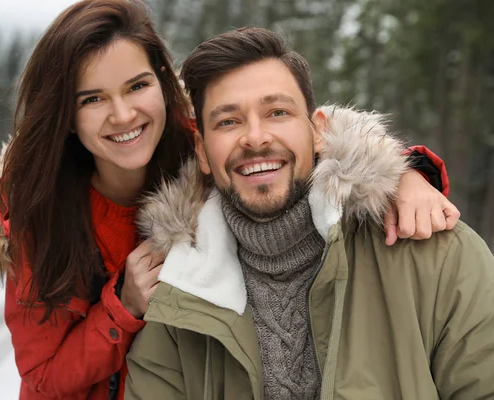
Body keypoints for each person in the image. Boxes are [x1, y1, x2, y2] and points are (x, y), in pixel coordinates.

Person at [0, 1, 455, 399]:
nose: (122, 113)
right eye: (92, 99)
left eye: (137, 86)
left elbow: (300, 133)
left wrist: (401, 174)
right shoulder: (39, 218)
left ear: (161, 81)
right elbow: (42, 380)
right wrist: (121, 306)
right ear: (67, 116)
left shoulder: (202, 145)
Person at [125, 27, 494, 399]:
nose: (255, 137)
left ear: (318, 131)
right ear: (203, 152)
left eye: (278, 112)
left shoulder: (436, 255)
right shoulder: (176, 300)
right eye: (228, 122)